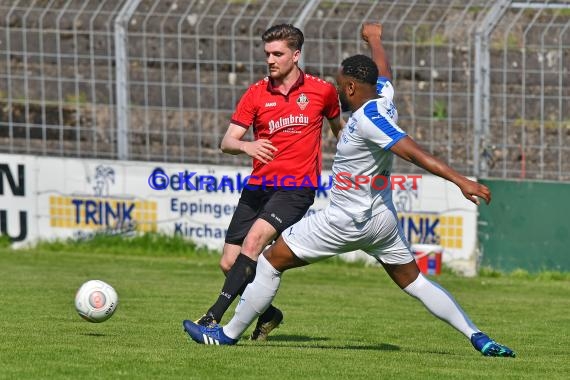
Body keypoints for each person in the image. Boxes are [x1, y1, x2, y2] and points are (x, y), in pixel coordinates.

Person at [183, 54, 516, 358]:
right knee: (414, 282)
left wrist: (461, 180)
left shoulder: (370, 120)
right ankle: (477, 336)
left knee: (269, 262)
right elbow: (384, 74)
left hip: (344, 221)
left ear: (353, 87)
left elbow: (411, 150)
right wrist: (375, 40)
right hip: (382, 221)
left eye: (340, 86)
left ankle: (225, 335)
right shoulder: (383, 98)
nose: (336, 91)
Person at [191, 23, 395, 341]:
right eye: (267, 54)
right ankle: (270, 315)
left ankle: (212, 318)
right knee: (230, 261)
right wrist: (247, 146)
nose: (270, 60)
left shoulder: (323, 91)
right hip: (258, 187)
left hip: (296, 187)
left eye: (277, 54)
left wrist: (359, 164)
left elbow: (340, 130)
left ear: (295, 55)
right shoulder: (256, 94)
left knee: (254, 243)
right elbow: (227, 142)